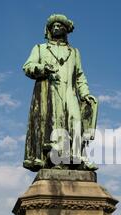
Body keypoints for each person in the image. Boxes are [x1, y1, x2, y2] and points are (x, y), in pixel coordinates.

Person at [23, 14, 98, 172]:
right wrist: (42, 68)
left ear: (66, 29)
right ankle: (56, 159)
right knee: (55, 124)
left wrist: (85, 93)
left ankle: (78, 157)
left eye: (60, 25)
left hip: (70, 91)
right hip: (50, 91)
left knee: (76, 120)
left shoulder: (74, 52)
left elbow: (79, 75)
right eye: (54, 26)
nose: (56, 28)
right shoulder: (40, 48)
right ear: (49, 30)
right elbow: (27, 66)